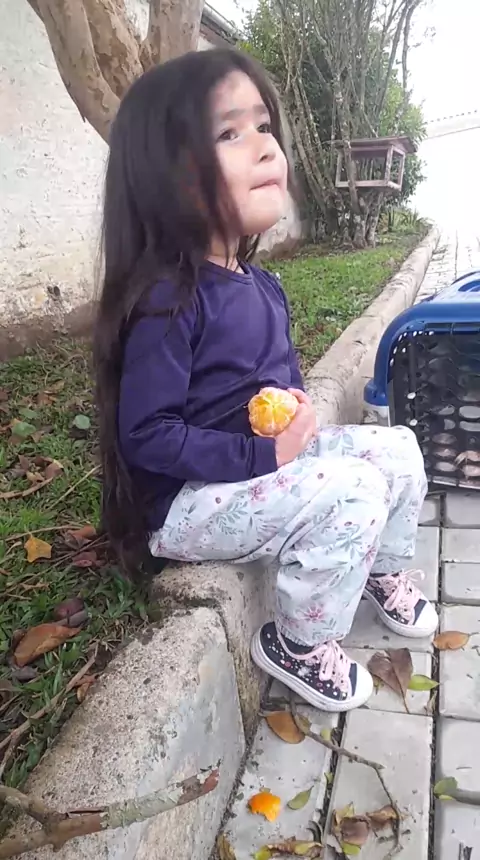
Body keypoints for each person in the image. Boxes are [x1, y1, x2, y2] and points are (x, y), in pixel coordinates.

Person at [93, 47, 438, 715]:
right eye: (229, 133)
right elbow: (148, 436)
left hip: (256, 469)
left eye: (263, 126)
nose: (264, 146)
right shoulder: (169, 299)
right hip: (188, 503)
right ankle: (299, 644)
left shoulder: (263, 285)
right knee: (352, 488)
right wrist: (263, 455)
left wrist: (296, 412)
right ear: (166, 176)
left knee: (396, 448)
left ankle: (381, 568)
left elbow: (277, 386)